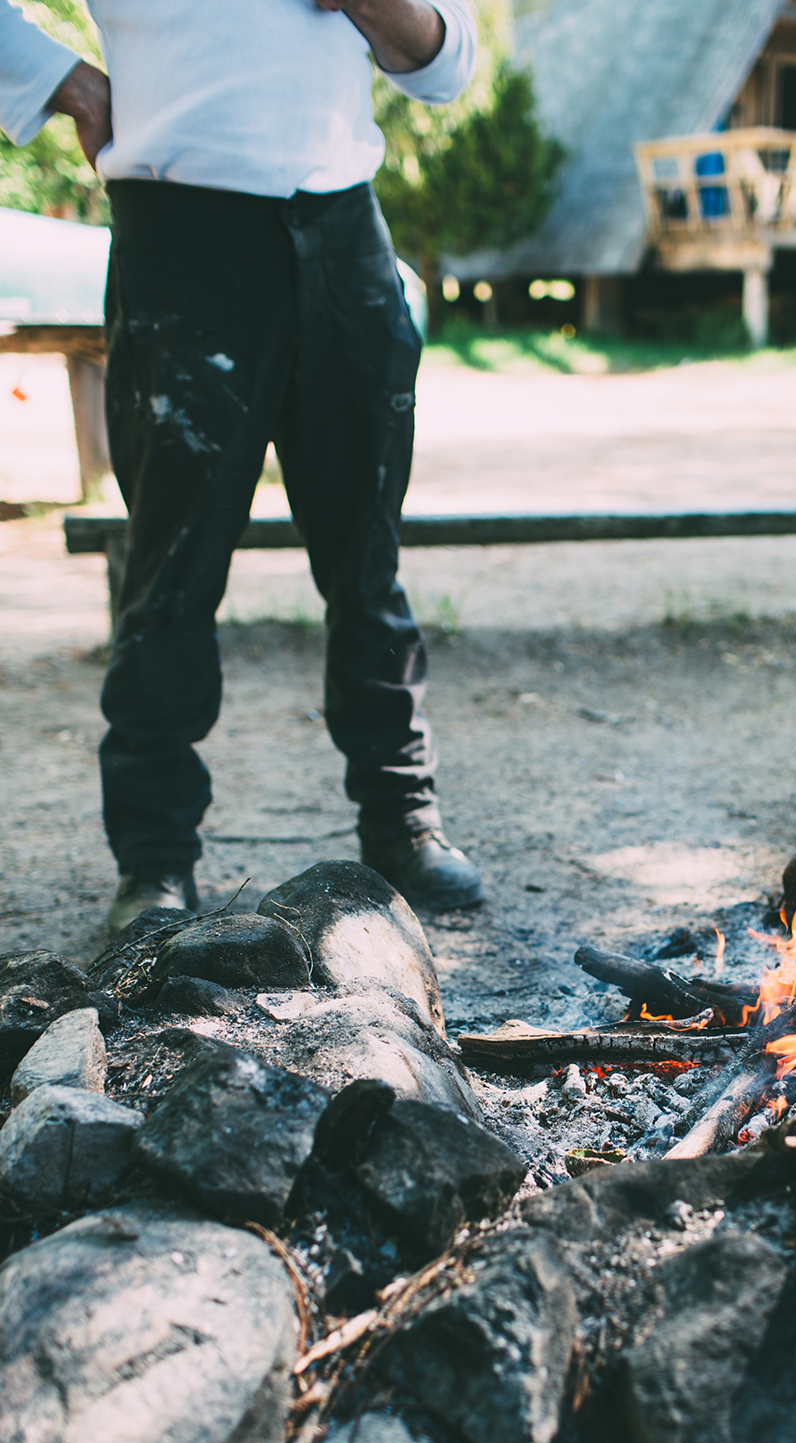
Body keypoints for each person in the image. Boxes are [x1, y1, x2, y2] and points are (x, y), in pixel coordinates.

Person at [0, 0, 484, 933]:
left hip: (345, 237)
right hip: (181, 237)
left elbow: (446, 63)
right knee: (170, 574)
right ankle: (155, 858)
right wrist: (62, 82)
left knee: (366, 561)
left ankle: (401, 819)